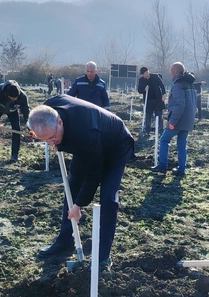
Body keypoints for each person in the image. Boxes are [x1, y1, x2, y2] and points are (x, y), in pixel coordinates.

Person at [30, 95, 135, 271]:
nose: (50, 143)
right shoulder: (46, 110)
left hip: (115, 146)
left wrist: (79, 206)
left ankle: (103, 256)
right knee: (71, 188)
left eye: (52, 138)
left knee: (108, 198)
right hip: (86, 143)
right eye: (45, 140)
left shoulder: (85, 133)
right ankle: (65, 240)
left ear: (60, 122)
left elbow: (93, 175)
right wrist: (43, 136)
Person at [150, 62, 196, 177]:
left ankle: (162, 165)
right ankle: (181, 169)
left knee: (164, 140)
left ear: (176, 71)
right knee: (182, 144)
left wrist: (172, 122)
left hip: (178, 120)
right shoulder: (190, 85)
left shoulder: (178, 85)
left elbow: (180, 105)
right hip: (188, 121)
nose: (170, 73)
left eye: (171, 71)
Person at [137, 66, 166, 137]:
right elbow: (139, 90)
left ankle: (161, 129)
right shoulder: (141, 80)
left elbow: (162, 85)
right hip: (148, 101)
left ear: (147, 72)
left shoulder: (155, 77)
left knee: (159, 115)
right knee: (148, 116)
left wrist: (164, 94)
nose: (143, 76)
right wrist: (144, 89)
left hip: (157, 100)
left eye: (143, 74)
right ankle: (147, 131)